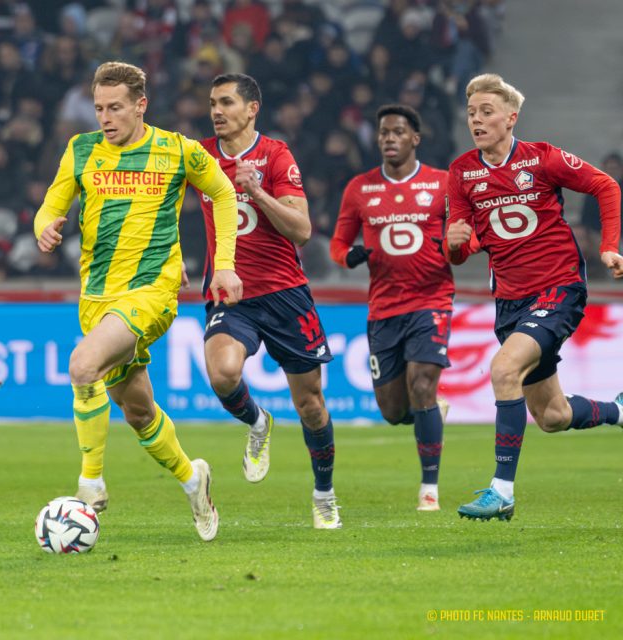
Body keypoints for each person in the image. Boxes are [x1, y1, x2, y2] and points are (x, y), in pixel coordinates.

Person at [34, 62, 242, 541]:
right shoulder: (81, 150)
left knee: (83, 365)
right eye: (99, 108)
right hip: (96, 297)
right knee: (139, 412)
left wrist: (225, 263)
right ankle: (194, 480)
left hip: (153, 290)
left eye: (116, 108)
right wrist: (43, 225)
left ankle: (90, 485)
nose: (106, 117)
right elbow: (52, 203)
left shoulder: (176, 150)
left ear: (140, 105)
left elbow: (223, 192)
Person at [444, 74, 623, 521]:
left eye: (487, 112)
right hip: (509, 301)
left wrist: (609, 245)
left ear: (510, 118)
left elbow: (607, 186)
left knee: (503, 368)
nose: (477, 120)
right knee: (553, 416)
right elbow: (463, 249)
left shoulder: (542, 159)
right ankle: (618, 410)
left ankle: (501, 491)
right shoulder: (461, 172)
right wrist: (454, 241)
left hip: (558, 287)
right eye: (471, 114)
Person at [196, 73, 342, 530]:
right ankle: (258, 422)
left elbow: (301, 230)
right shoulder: (199, 156)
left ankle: (324, 494)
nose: (217, 111)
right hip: (231, 292)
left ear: (252, 108)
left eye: (226, 102)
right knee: (222, 373)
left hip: (284, 295)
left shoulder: (276, 155)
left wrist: (256, 189)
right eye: (213, 103)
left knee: (311, 404)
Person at [330, 104, 452, 512]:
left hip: (431, 300)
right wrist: (350, 258)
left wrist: (455, 245)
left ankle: (429, 488)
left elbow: (467, 237)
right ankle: (431, 411)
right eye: (383, 132)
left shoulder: (442, 184)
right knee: (393, 409)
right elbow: (337, 245)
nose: (389, 138)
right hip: (384, 308)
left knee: (422, 383)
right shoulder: (359, 189)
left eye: (398, 132)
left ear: (414, 138)